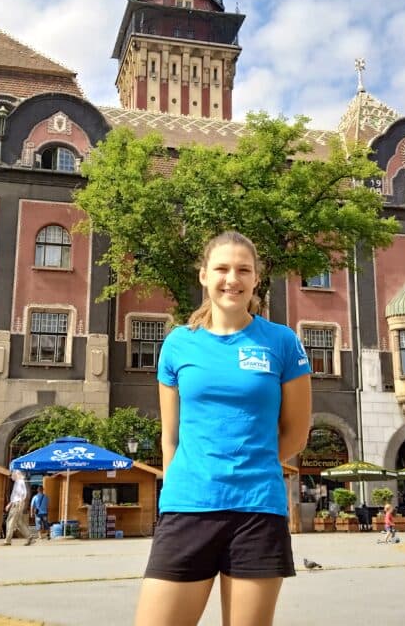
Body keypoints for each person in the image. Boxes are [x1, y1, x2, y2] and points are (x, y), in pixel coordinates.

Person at [133, 231, 313, 626]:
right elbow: (170, 436)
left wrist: (246, 462)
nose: (232, 278)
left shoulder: (282, 343)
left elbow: (296, 434)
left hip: (257, 512)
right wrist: (187, 476)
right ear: (203, 275)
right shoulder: (178, 344)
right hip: (188, 508)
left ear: (255, 279)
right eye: (222, 268)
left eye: (243, 270)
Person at [2, 470, 36, 546]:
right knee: (19, 522)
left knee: (10, 521)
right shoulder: (18, 482)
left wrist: (20, 503)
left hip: (17, 504)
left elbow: (23, 494)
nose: (10, 477)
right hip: (16, 503)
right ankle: (30, 537)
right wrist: (9, 504)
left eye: (11, 475)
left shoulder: (20, 482)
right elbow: (15, 496)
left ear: (16, 474)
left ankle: (8, 540)